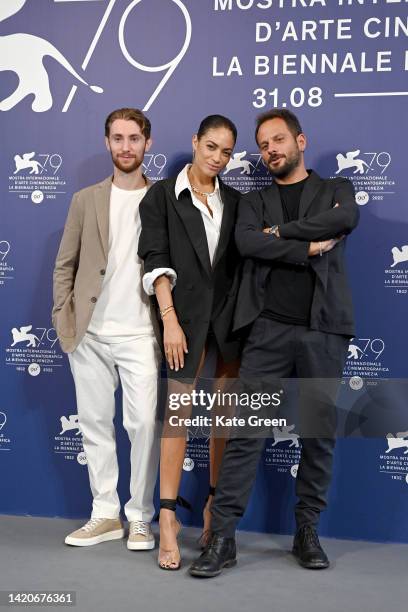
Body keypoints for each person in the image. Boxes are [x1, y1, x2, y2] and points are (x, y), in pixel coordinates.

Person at [189, 108, 359, 578]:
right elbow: (247, 243)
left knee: (318, 438)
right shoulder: (254, 200)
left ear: (300, 141)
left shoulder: (336, 191)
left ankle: (307, 531)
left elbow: (345, 218)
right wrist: (306, 245)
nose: (271, 151)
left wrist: (280, 233)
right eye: (263, 145)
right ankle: (223, 538)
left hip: (324, 331)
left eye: (278, 140)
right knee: (245, 436)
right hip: (267, 333)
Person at [52, 108, 161, 551]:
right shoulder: (86, 198)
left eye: (134, 138)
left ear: (147, 143)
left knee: (143, 426)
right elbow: (66, 263)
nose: (125, 147)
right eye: (117, 138)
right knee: (95, 423)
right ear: (107, 143)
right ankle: (104, 514)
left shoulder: (165, 197)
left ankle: (139, 516)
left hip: (141, 334)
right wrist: (64, 315)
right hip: (90, 334)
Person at [138, 114, 242, 570]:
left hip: (230, 325)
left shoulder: (237, 201)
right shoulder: (162, 195)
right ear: (195, 141)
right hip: (183, 322)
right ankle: (166, 518)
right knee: (176, 416)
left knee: (224, 420)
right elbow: (155, 257)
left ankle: (213, 512)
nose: (217, 158)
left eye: (226, 151)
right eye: (211, 147)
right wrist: (170, 320)